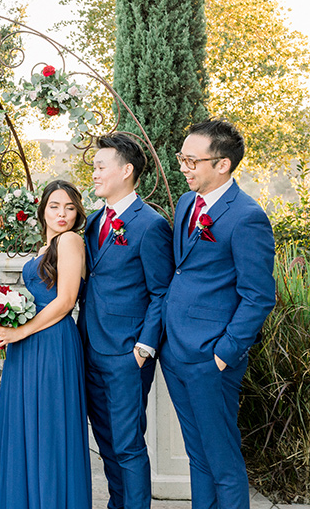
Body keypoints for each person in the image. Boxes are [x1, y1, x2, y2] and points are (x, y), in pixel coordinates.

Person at [161, 119, 275, 508]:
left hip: (212, 358)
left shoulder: (246, 216)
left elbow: (259, 296)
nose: (183, 167)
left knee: (222, 460)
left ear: (222, 164)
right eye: (182, 158)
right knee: (198, 457)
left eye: (192, 160)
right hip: (175, 351)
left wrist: (224, 354)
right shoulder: (186, 203)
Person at [79, 133, 174, 509]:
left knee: (128, 444)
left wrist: (143, 348)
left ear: (127, 170)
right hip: (89, 348)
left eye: (101, 166)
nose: (95, 173)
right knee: (104, 442)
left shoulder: (149, 225)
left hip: (126, 355)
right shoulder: (94, 221)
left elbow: (161, 292)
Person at [0, 179, 91, 509]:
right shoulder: (45, 249)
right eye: (55, 206)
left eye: (70, 208)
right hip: (29, 343)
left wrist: (20, 331)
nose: (62, 214)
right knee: (25, 427)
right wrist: (9, 320)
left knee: (49, 430)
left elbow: (66, 300)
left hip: (53, 343)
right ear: (42, 210)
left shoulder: (71, 241)